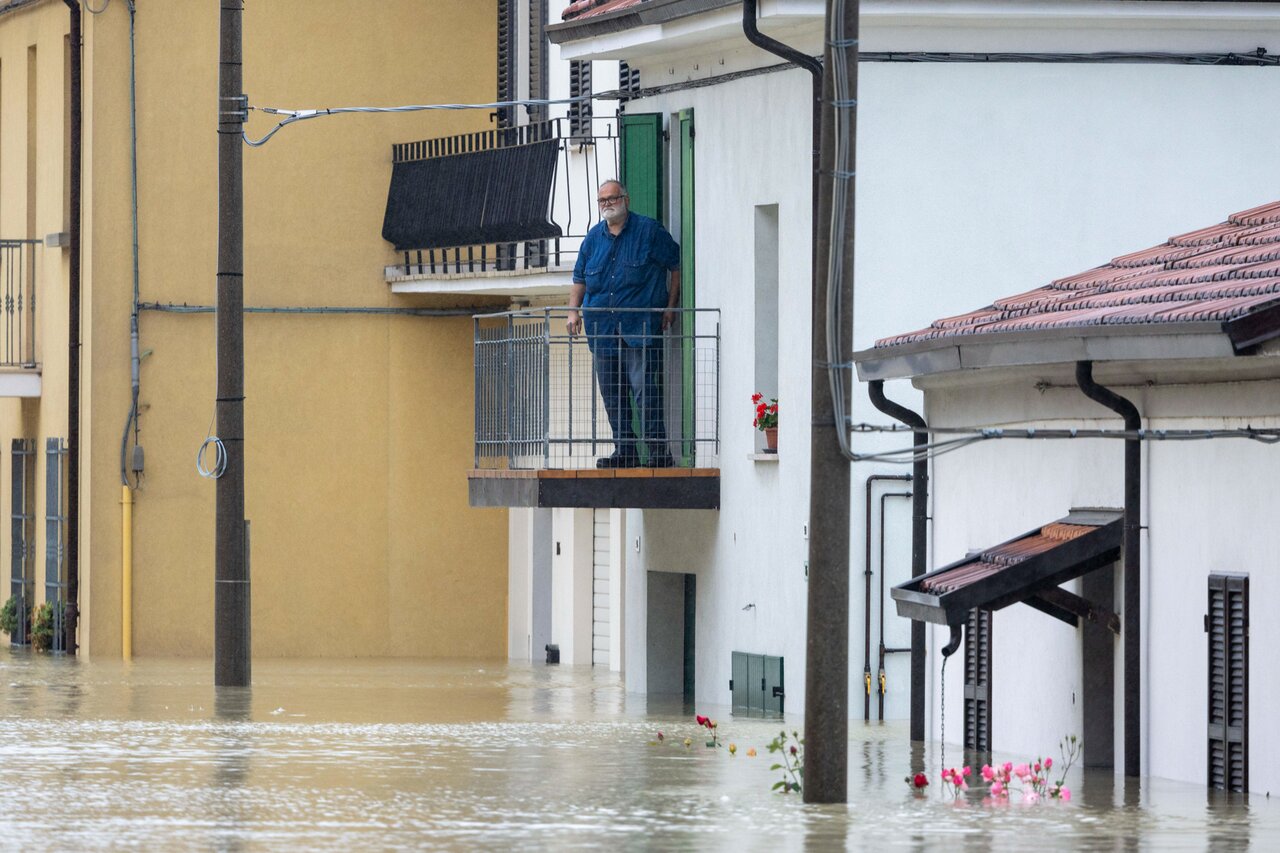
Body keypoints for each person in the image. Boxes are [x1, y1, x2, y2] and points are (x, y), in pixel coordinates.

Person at [567, 180, 681, 468]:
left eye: (612, 198)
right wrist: (573, 312)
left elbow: (676, 265)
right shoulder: (592, 239)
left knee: (645, 392)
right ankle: (625, 451)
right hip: (602, 331)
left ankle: (658, 453)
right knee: (613, 396)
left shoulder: (649, 231)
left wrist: (670, 306)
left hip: (639, 328)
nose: (607, 203)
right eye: (602, 200)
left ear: (625, 199)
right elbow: (579, 279)